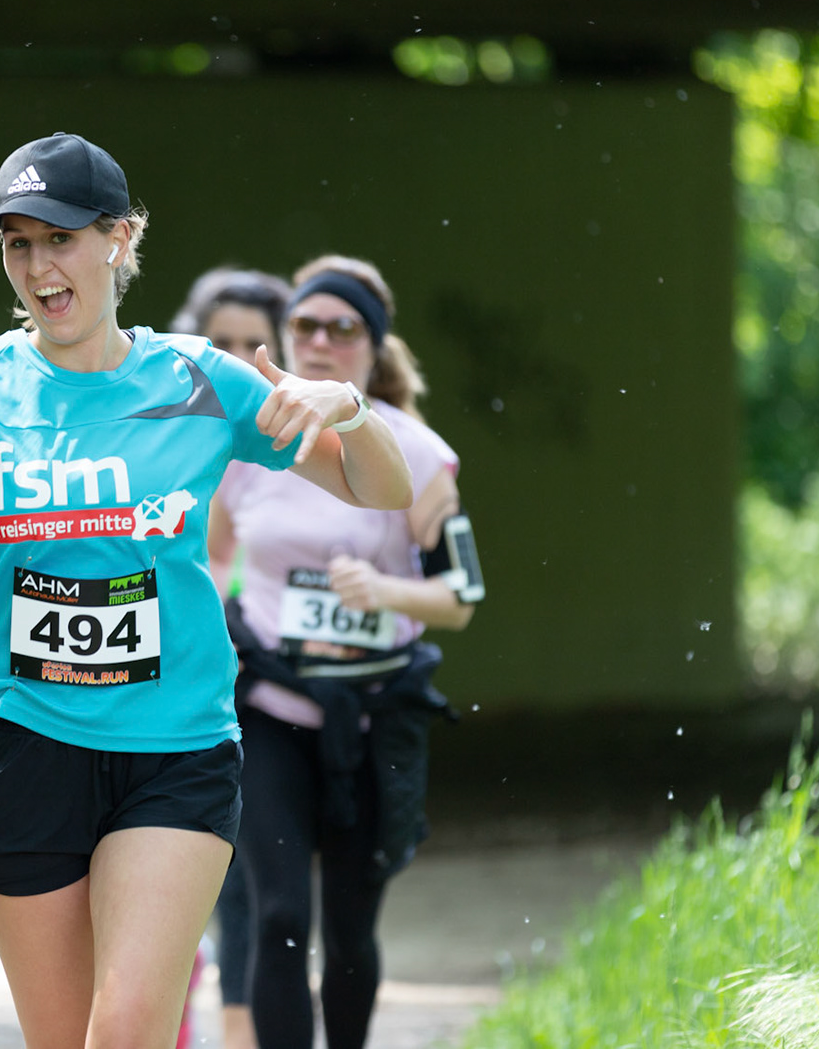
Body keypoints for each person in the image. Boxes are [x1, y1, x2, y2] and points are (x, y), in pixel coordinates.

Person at [0, 133, 414, 1049]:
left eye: (60, 237)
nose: (39, 265)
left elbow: (382, 489)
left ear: (120, 239)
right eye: (18, 244)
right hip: (24, 744)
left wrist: (351, 404)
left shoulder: (198, 381)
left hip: (175, 746)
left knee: (129, 1032)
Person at [210, 255, 478, 1049]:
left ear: (373, 344)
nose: (320, 342)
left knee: (351, 933)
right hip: (270, 711)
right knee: (280, 915)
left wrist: (386, 593)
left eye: (342, 327)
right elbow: (214, 564)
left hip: (372, 717)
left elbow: (461, 599)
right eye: (304, 325)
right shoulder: (250, 446)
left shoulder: (420, 455)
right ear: (284, 334)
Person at [168, 265, 293, 1049]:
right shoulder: (159, 439)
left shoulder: (294, 458)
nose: (240, 361)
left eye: (259, 346)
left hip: (268, 698)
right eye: (224, 345)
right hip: (164, 694)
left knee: (251, 891)